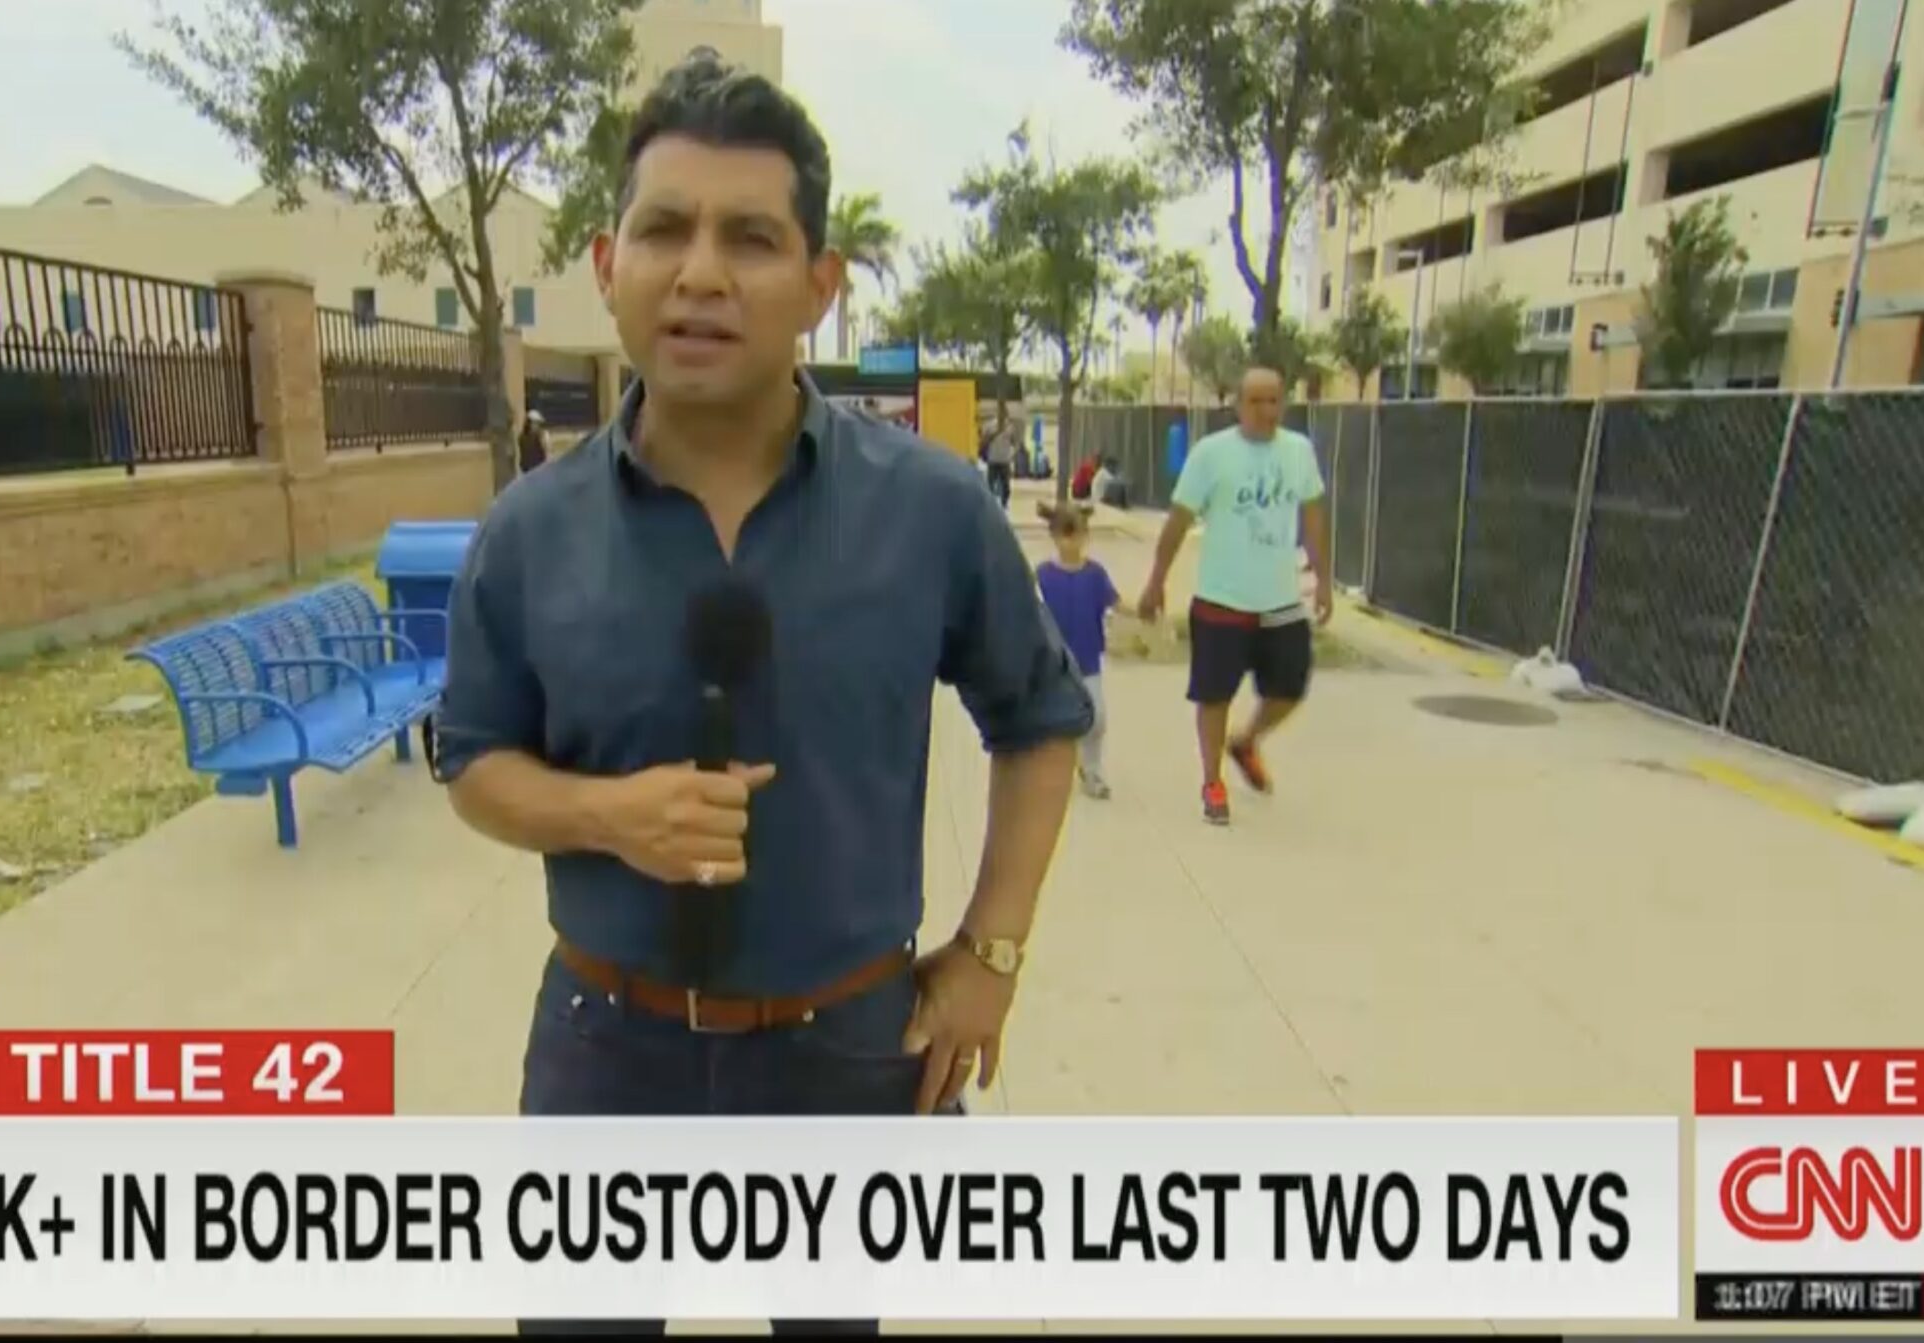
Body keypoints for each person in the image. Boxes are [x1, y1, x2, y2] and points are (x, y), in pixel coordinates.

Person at [432, 55, 1092, 1335]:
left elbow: (1041, 722)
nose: (701, 273)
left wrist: (991, 953)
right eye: (663, 230)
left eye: (750, 238)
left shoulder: (931, 510)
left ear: (819, 284)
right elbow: (474, 760)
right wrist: (607, 814)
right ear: (606, 262)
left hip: (845, 1051)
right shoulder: (527, 532)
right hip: (604, 1049)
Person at [1136, 367, 1332, 827]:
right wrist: (1156, 580)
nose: (1266, 411)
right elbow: (1179, 520)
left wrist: (1323, 577)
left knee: (1289, 688)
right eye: (1256, 401)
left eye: (1274, 401)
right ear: (1238, 405)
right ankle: (1212, 781)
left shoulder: (1298, 451)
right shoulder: (1211, 454)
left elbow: (1313, 516)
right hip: (1221, 599)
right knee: (1214, 696)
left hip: (1280, 600)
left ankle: (1245, 741)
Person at [1034, 501, 1128, 799]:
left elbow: (1116, 601)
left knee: (1097, 718)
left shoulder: (1095, 574)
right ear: (1054, 536)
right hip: (1054, 663)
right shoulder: (1042, 575)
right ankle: (1049, 773)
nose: (1071, 542)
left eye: (1076, 535)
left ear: (1086, 535)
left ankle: (1092, 769)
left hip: (1088, 661)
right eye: (1065, 535)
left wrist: (1141, 611)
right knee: (1052, 721)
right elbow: (1028, 611)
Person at [981, 413, 1018, 509]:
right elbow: (984, 441)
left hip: (1002, 460)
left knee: (1003, 486)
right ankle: (993, 505)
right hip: (995, 460)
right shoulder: (991, 426)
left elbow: (1014, 442)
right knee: (992, 485)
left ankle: (1002, 504)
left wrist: (1012, 454)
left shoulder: (1009, 427)